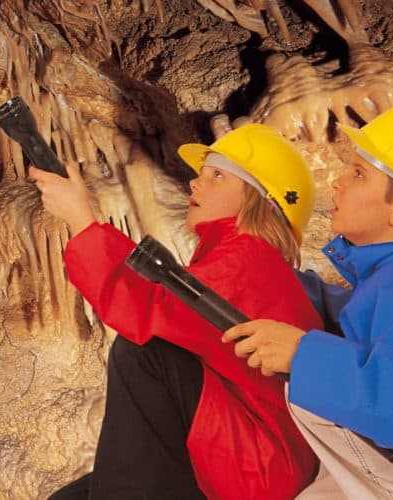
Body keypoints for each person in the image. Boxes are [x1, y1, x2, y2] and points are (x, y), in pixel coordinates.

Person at [30, 124, 323, 499]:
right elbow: (160, 297)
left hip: (261, 465)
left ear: (262, 202)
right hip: (244, 445)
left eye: (217, 175)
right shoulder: (238, 259)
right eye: (200, 174)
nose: (196, 185)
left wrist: (82, 220)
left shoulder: (248, 258)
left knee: (145, 353)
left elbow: (145, 309)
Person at [224, 99, 393, 499]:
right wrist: (281, 282)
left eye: (359, 174)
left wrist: (302, 356)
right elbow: (374, 323)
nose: (338, 181)